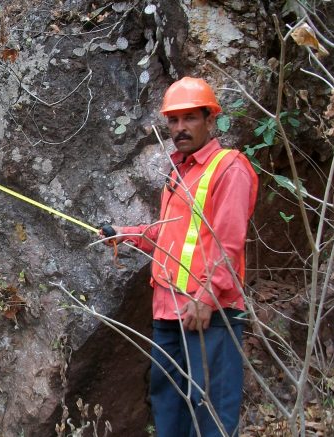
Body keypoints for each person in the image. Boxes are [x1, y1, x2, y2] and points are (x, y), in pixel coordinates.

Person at [100, 77, 258, 436]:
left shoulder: (228, 168)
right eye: (173, 120)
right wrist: (125, 234)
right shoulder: (180, 171)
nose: (180, 128)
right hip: (169, 313)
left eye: (190, 118)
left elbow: (229, 244)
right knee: (169, 411)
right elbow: (168, 232)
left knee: (210, 416)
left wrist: (205, 297)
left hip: (210, 315)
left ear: (209, 119)